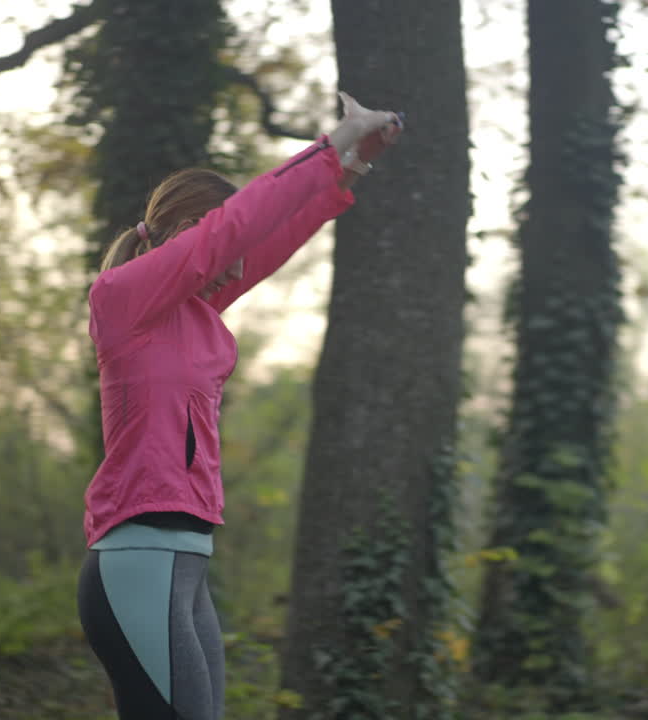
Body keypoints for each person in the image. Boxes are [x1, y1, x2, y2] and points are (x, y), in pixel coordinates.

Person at [76, 92, 403, 720]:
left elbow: (269, 237)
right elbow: (236, 229)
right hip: (140, 557)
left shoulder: (191, 312)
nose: (236, 269)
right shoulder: (124, 299)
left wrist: (352, 164)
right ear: (182, 234)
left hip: (184, 561)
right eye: (221, 246)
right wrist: (329, 144)